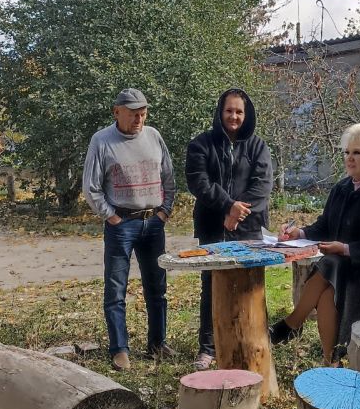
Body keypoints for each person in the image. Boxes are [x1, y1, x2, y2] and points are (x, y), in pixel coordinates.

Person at [270, 123, 360, 364]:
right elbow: (325, 225)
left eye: (358, 153)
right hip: (346, 269)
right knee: (328, 289)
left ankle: (294, 323)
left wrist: (346, 249)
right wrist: (298, 232)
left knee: (333, 262)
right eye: (347, 152)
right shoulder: (342, 187)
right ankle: (330, 360)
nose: (350, 158)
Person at [83, 88, 175, 372]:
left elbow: (168, 176)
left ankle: (157, 343)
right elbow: (91, 186)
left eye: (143, 112)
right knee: (115, 289)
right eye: (133, 113)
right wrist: (110, 217)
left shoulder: (154, 136)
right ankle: (119, 349)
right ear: (116, 112)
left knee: (157, 287)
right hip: (121, 224)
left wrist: (164, 210)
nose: (139, 118)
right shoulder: (102, 141)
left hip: (153, 222)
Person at [185, 88, 273, 370]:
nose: (233, 116)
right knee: (212, 286)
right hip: (213, 226)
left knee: (249, 285)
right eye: (229, 111)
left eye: (239, 111)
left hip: (248, 228)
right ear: (220, 112)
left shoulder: (258, 147)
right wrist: (227, 207)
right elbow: (198, 181)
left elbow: (261, 187)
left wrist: (237, 214)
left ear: (246, 115)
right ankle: (208, 348)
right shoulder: (201, 144)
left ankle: (252, 339)